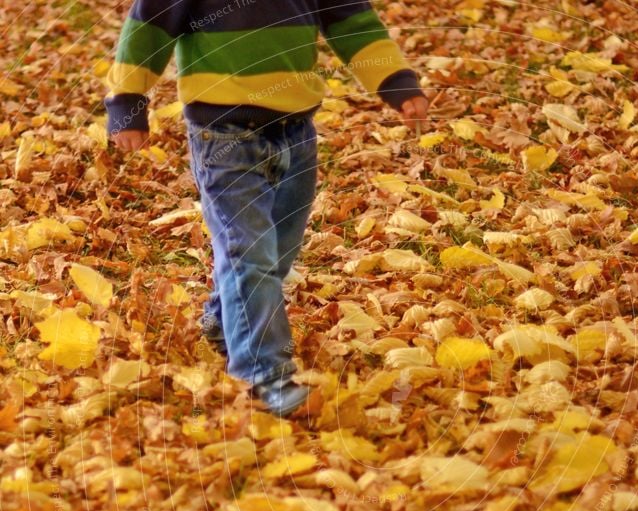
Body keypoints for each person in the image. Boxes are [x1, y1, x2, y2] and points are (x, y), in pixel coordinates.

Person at [106, 0, 428, 417]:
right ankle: (265, 375)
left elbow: (353, 22)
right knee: (251, 253)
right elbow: (147, 31)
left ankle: (225, 321)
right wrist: (127, 105)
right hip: (223, 136)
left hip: (296, 133)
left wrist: (397, 83)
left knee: (277, 251)